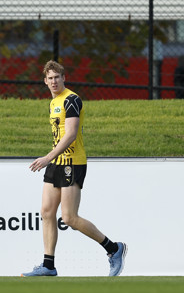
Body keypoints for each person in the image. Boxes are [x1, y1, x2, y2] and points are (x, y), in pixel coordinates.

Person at [21, 60, 126, 277]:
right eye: (49, 78)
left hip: (71, 162)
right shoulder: (53, 102)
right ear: (45, 81)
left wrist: (47, 157)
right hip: (56, 162)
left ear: (63, 78)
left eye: (57, 77)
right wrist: (51, 159)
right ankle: (48, 265)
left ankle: (114, 249)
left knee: (69, 218)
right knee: (47, 212)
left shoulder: (72, 99)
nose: (53, 81)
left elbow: (70, 135)